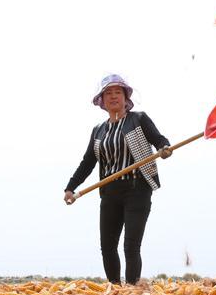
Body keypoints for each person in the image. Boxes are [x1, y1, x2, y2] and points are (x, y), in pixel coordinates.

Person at [64, 74, 173, 284]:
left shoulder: (138, 119)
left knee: (131, 245)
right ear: (102, 100)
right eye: (108, 93)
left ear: (125, 98)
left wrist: (164, 148)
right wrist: (71, 187)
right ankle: (114, 289)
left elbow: (159, 140)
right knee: (107, 246)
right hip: (109, 192)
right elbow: (88, 162)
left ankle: (132, 290)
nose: (113, 97)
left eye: (118, 92)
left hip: (137, 188)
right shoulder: (98, 130)